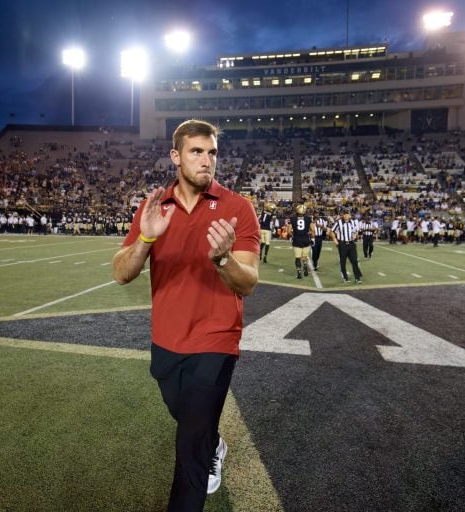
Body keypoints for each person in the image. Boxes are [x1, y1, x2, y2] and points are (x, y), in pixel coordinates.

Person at [112, 119, 260, 511]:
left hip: (216, 339)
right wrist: (146, 238)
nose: (206, 160)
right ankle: (214, 440)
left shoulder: (237, 207)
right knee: (192, 420)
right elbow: (121, 273)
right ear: (176, 156)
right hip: (167, 340)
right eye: (197, 151)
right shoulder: (155, 208)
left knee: (191, 443)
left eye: (212, 152)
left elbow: (247, 283)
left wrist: (223, 259)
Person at [329, 210, 362, 284]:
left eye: (348, 214)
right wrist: (335, 240)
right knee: (343, 261)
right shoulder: (339, 223)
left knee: (354, 261)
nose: (346, 216)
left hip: (351, 243)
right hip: (342, 244)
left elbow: (356, 230)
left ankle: (357, 277)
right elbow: (332, 231)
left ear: (349, 215)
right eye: (345, 214)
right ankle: (345, 277)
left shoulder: (353, 222)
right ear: (343, 215)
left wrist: (355, 234)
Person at [287, 203, 315, 279]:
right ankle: (305, 264)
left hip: (296, 239)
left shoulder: (292, 218)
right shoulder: (308, 218)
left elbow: (289, 230)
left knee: (297, 257)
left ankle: (299, 272)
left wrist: (292, 236)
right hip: (306, 239)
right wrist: (312, 239)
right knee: (305, 256)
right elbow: (313, 230)